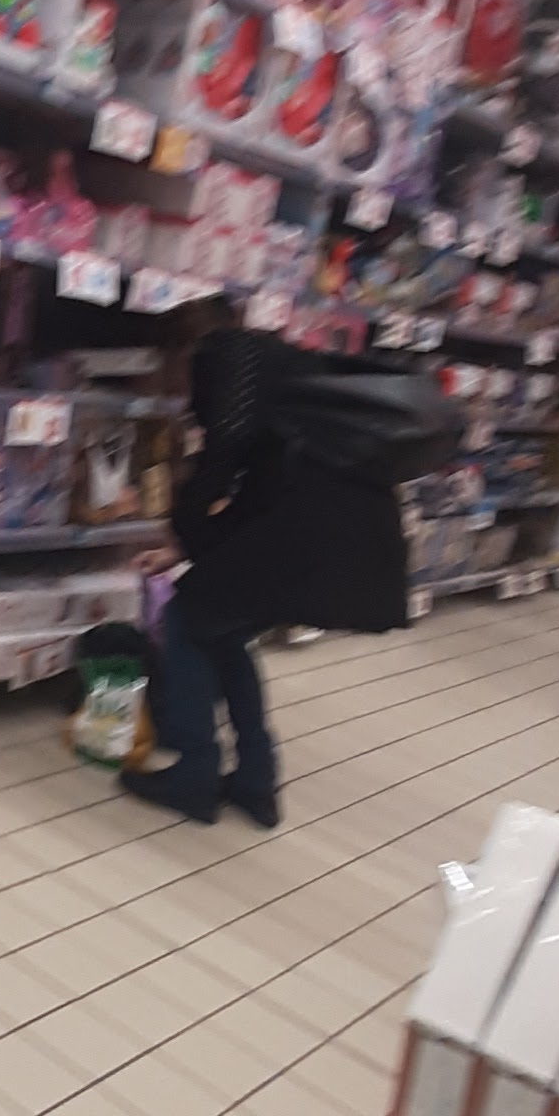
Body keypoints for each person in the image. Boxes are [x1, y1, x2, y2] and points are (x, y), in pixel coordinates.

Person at [121, 315, 409, 828]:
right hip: (348, 531)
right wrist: (185, 547)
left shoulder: (232, 357)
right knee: (224, 630)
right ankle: (257, 782)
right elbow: (260, 493)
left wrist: (182, 525)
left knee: (188, 621)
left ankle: (194, 775)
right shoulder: (287, 373)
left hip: (308, 531)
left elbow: (221, 462)